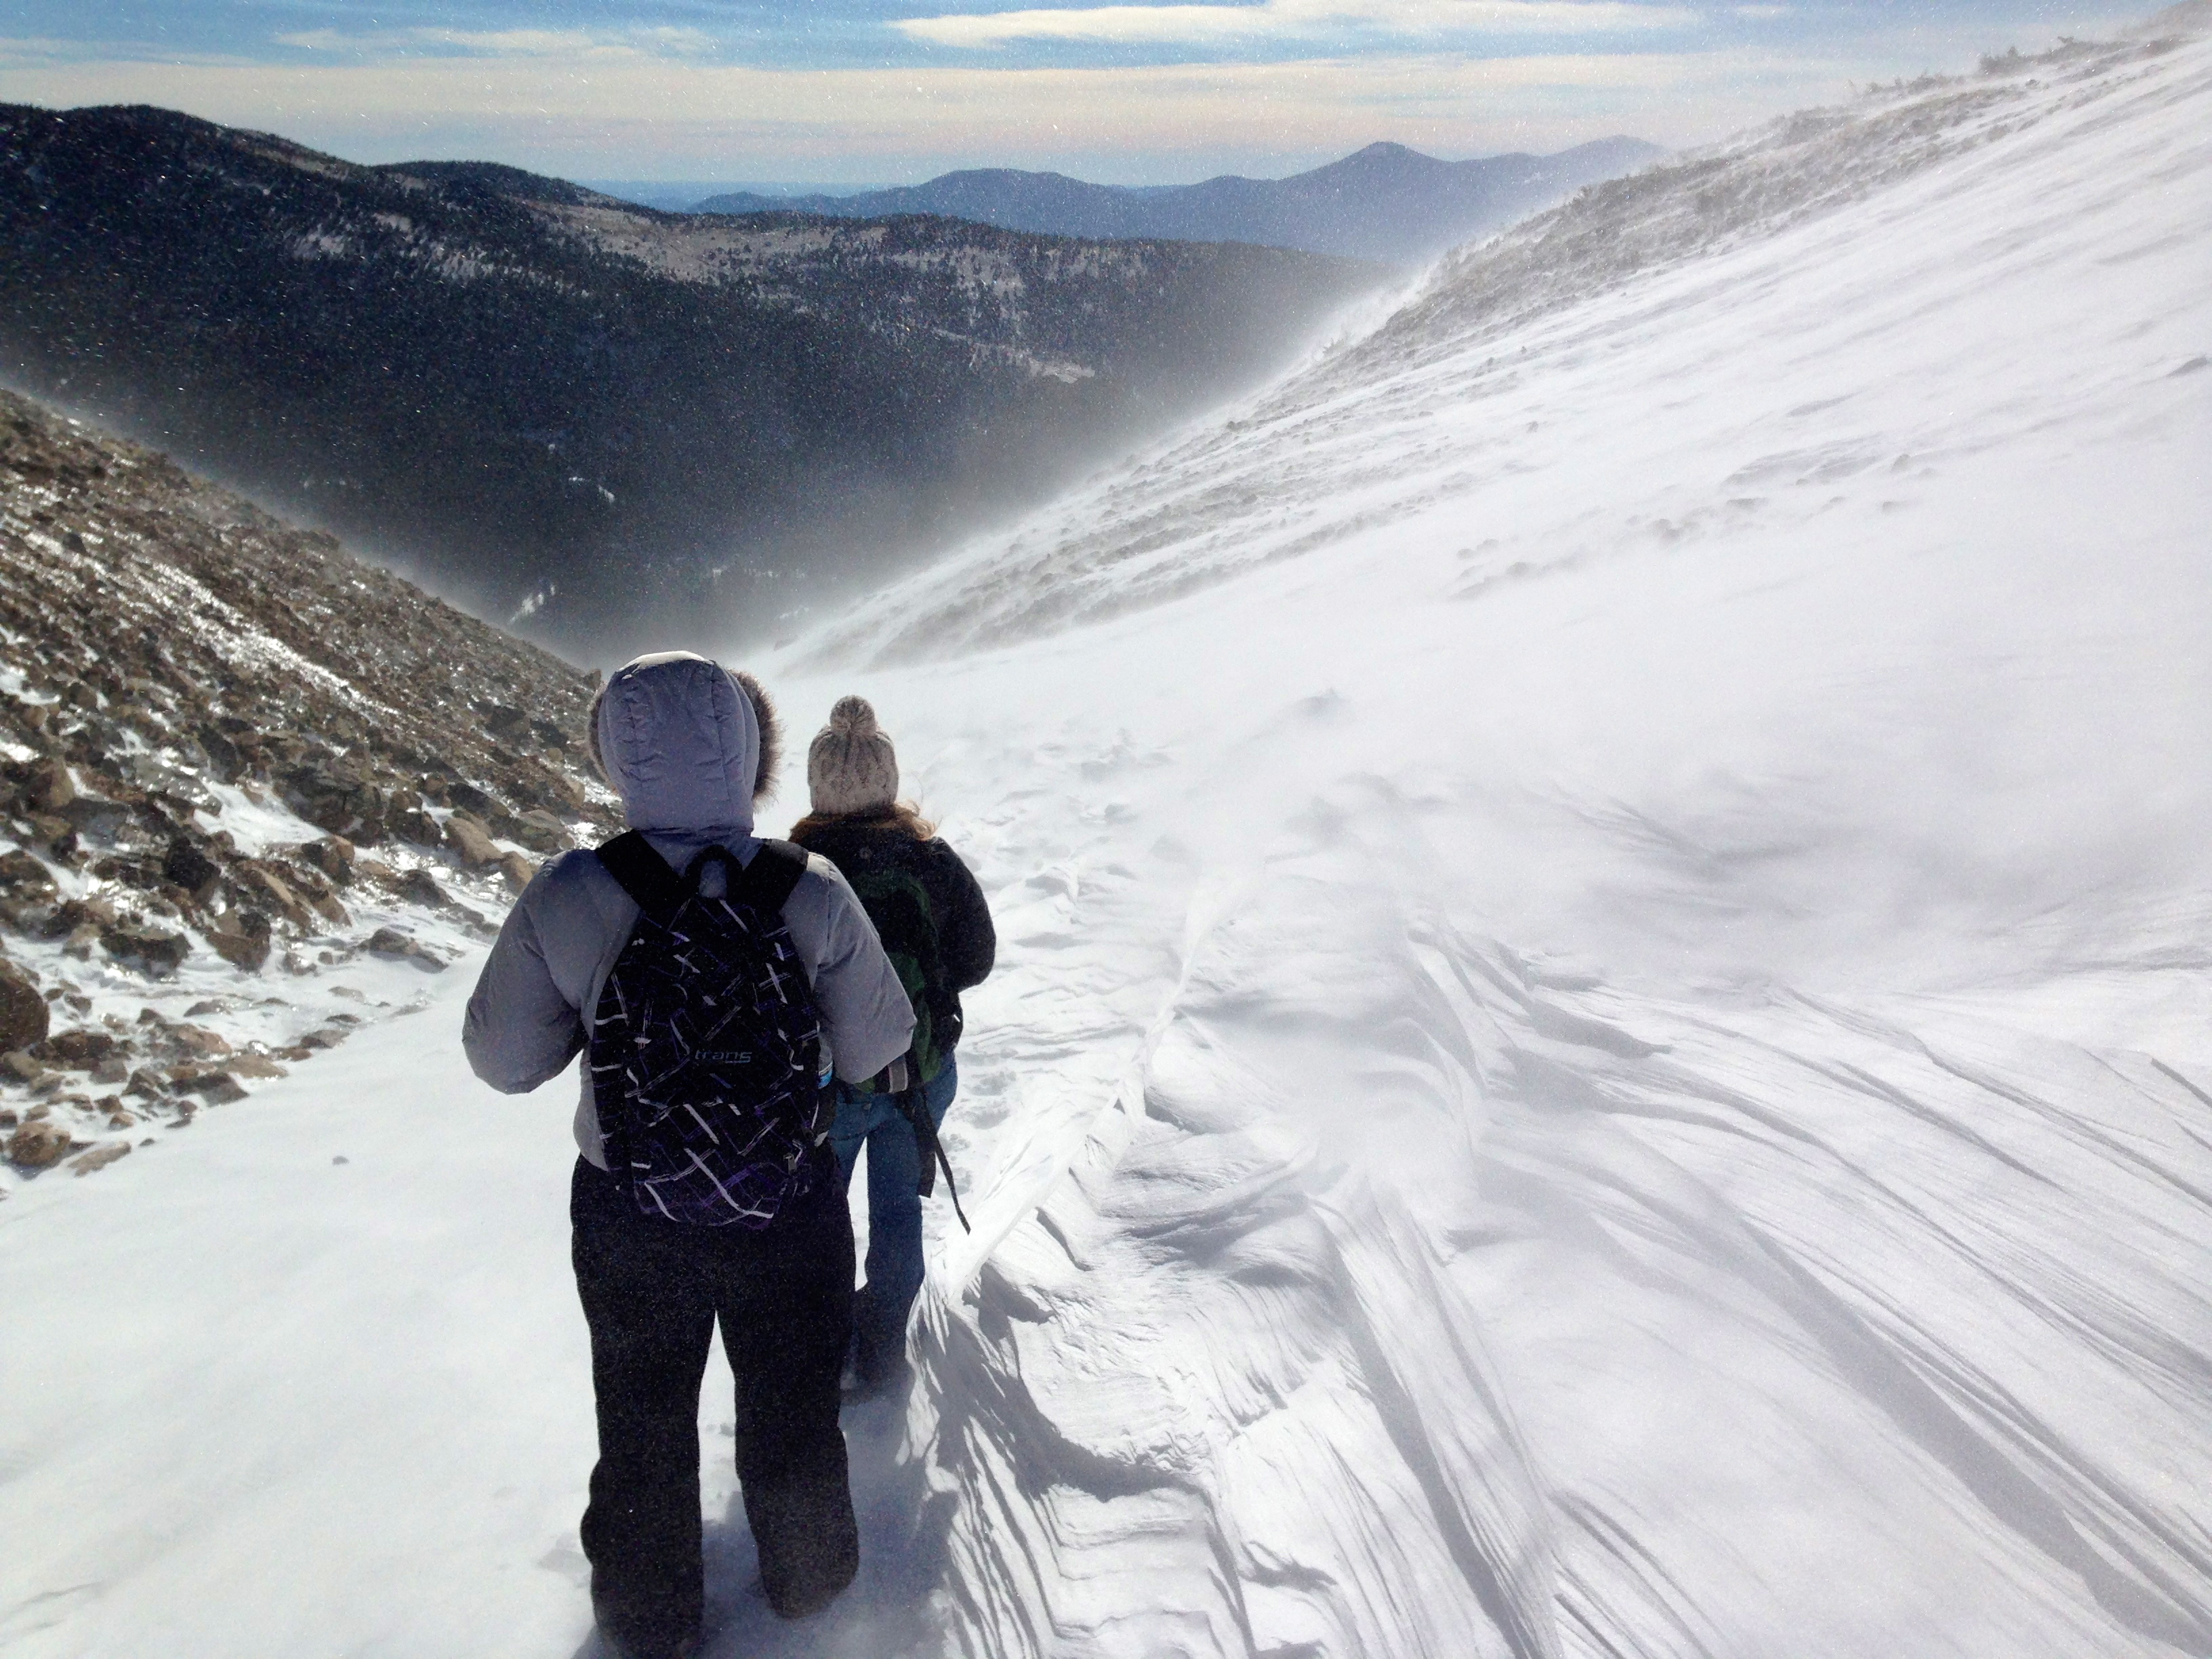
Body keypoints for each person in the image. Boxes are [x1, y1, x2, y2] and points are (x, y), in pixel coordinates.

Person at [462, 653, 914, 1659]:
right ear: (752, 752)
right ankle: (810, 1582)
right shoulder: (814, 886)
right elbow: (880, 1046)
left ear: (615, 754)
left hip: (630, 1212)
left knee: (643, 1413)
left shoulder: (575, 889)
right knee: (792, 1404)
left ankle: (649, 1617)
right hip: (788, 1197)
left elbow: (504, 1061)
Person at [787, 695, 996, 1397]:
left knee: (820, 1224)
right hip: (921, 1078)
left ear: (818, 788)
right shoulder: (931, 860)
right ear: (889, 780)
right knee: (898, 1216)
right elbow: (977, 958)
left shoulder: (797, 868)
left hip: (831, 1088)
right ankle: (880, 1356)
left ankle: (819, 1355)